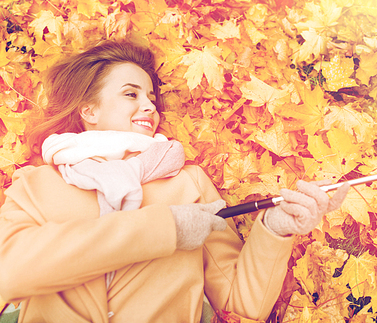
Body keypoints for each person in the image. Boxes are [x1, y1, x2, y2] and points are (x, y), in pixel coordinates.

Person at [0, 40, 349, 322]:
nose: (150, 106)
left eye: (151, 97)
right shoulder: (35, 185)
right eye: (131, 94)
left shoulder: (188, 184)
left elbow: (242, 303)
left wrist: (275, 228)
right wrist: (166, 229)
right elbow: (9, 273)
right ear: (89, 110)